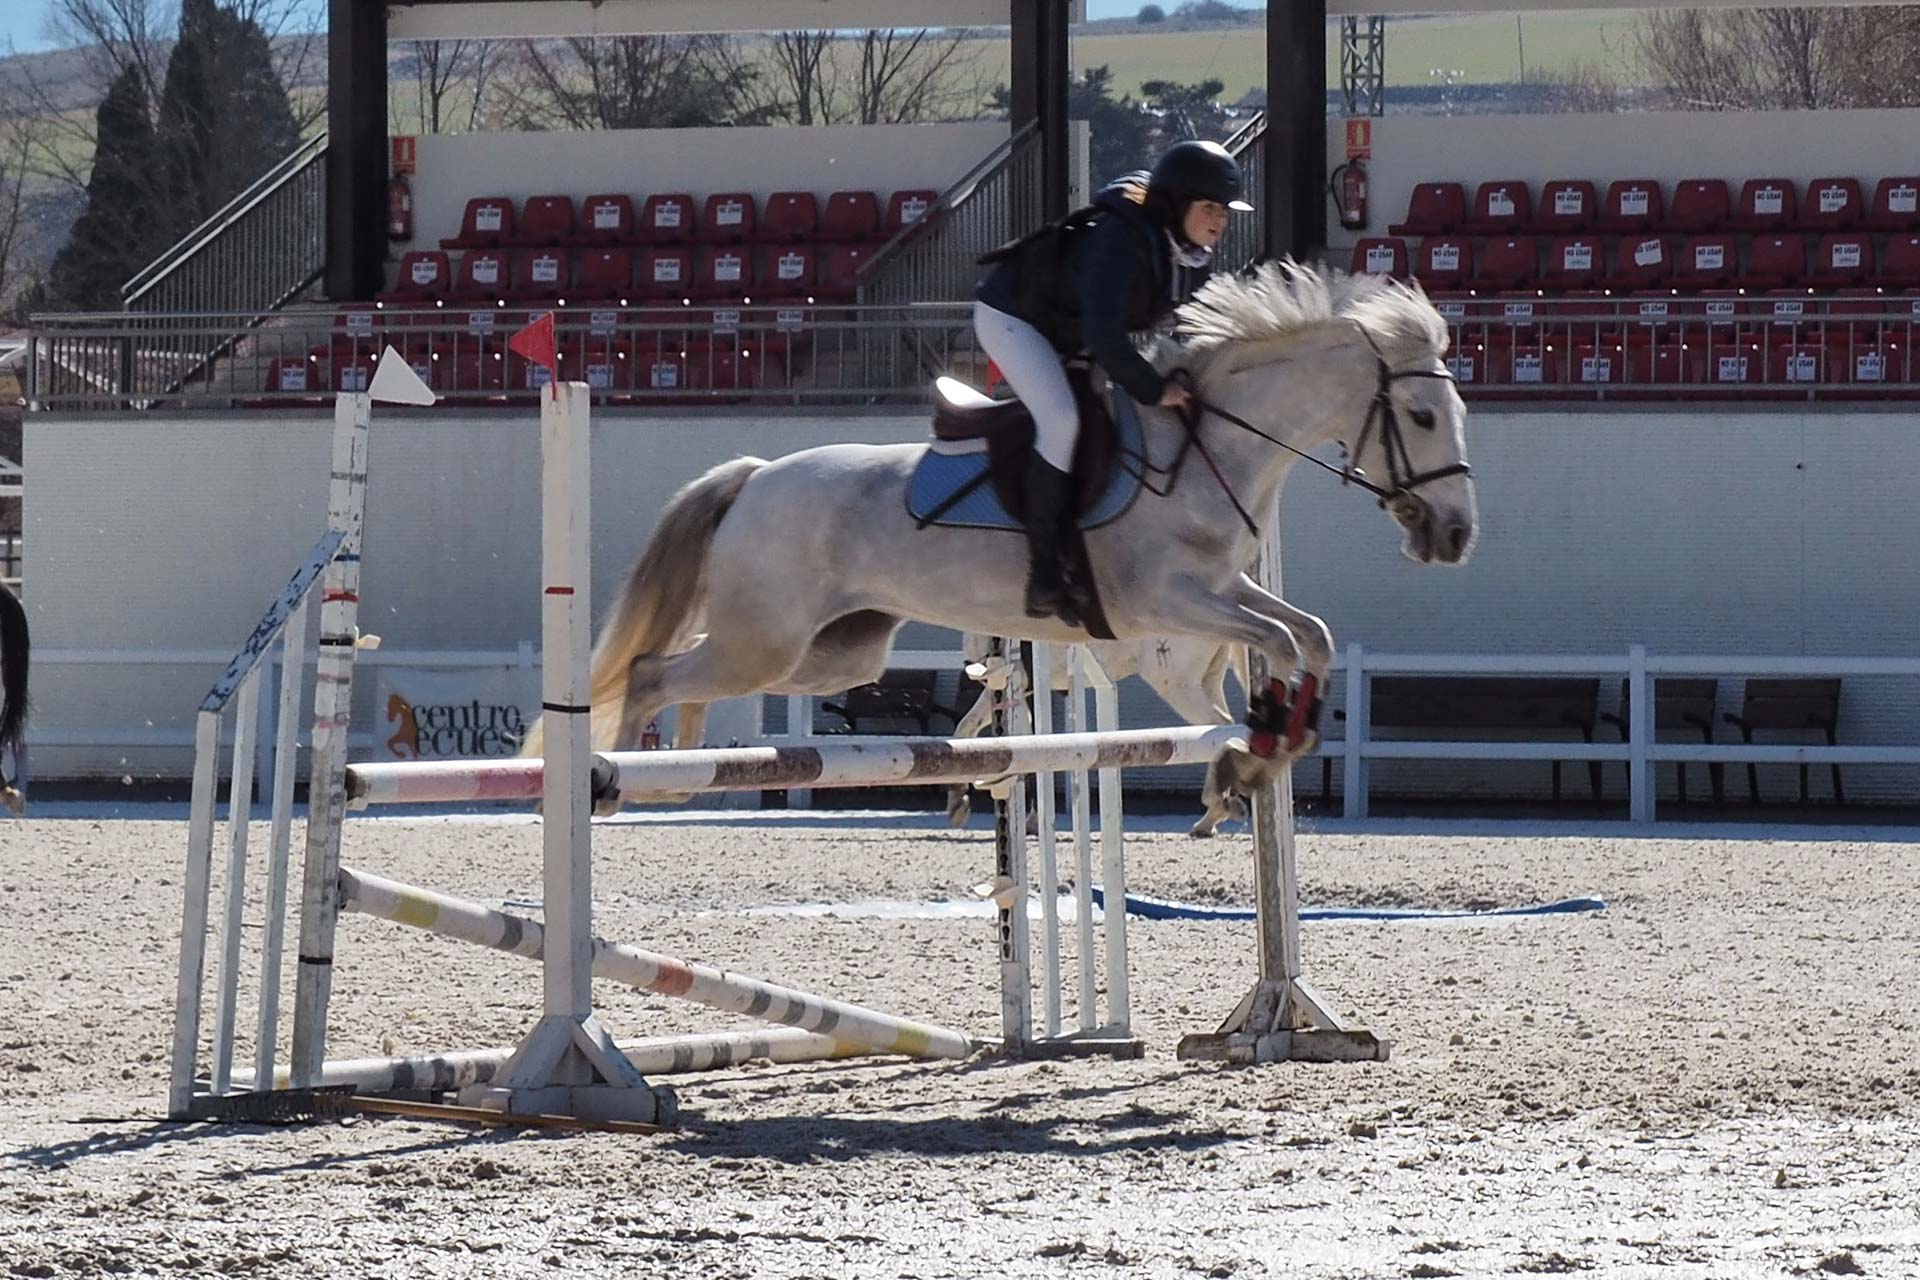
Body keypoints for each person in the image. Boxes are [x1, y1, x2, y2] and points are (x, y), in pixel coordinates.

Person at [974, 139, 1252, 624]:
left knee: (1116, 423)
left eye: (1225, 211)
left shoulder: (1190, 254)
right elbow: (1105, 335)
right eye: (1210, 207)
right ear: (1177, 204)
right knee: (1062, 421)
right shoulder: (1118, 240)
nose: (1220, 220)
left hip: (1072, 331)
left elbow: (1194, 326)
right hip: (1015, 319)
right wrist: (1155, 388)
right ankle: (1044, 575)